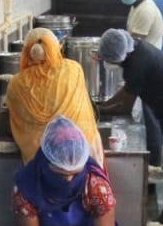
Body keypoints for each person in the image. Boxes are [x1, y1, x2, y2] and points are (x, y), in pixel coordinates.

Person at [96, 29, 163, 226]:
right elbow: (127, 91)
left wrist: (99, 110)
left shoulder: (137, 64)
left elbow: (125, 106)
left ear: (116, 56)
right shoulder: (136, 50)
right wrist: (103, 105)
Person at [6, 27, 104, 166]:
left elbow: (17, 118)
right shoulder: (73, 69)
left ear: (27, 52)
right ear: (54, 47)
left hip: (40, 160)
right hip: (79, 153)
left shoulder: (17, 83)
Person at [115, 0, 163, 180]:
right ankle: (153, 162)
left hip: (149, 71)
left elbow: (133, 43)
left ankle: (155, 165)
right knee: (147, 118)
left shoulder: (146, 10)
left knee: (151, 119)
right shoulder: (136, 6)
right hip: (144, 66)